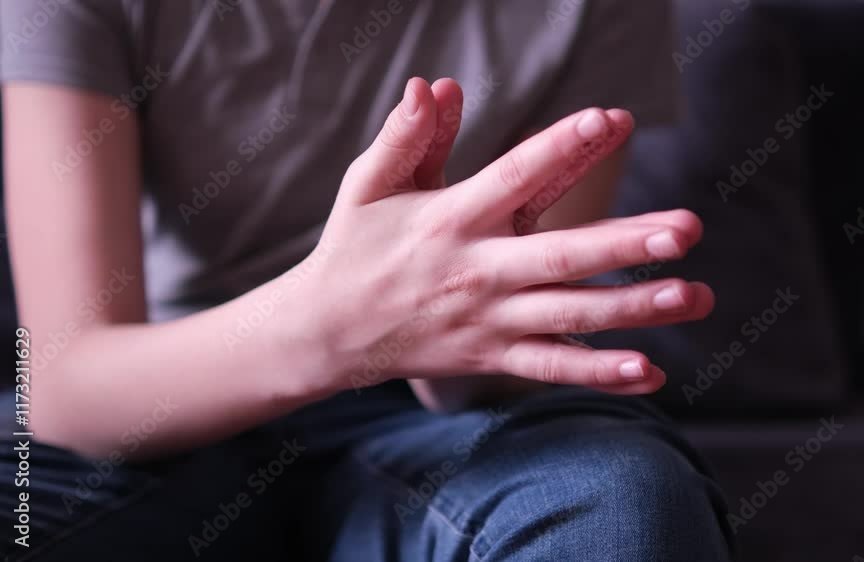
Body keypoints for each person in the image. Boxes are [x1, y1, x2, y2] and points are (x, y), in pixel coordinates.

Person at [0, 1, 734, 560]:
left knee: (623, 506)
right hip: (174, 388)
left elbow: (503, 368)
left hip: (432, 418)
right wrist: (331, 327)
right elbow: (63, 386)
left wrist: (457, 329)